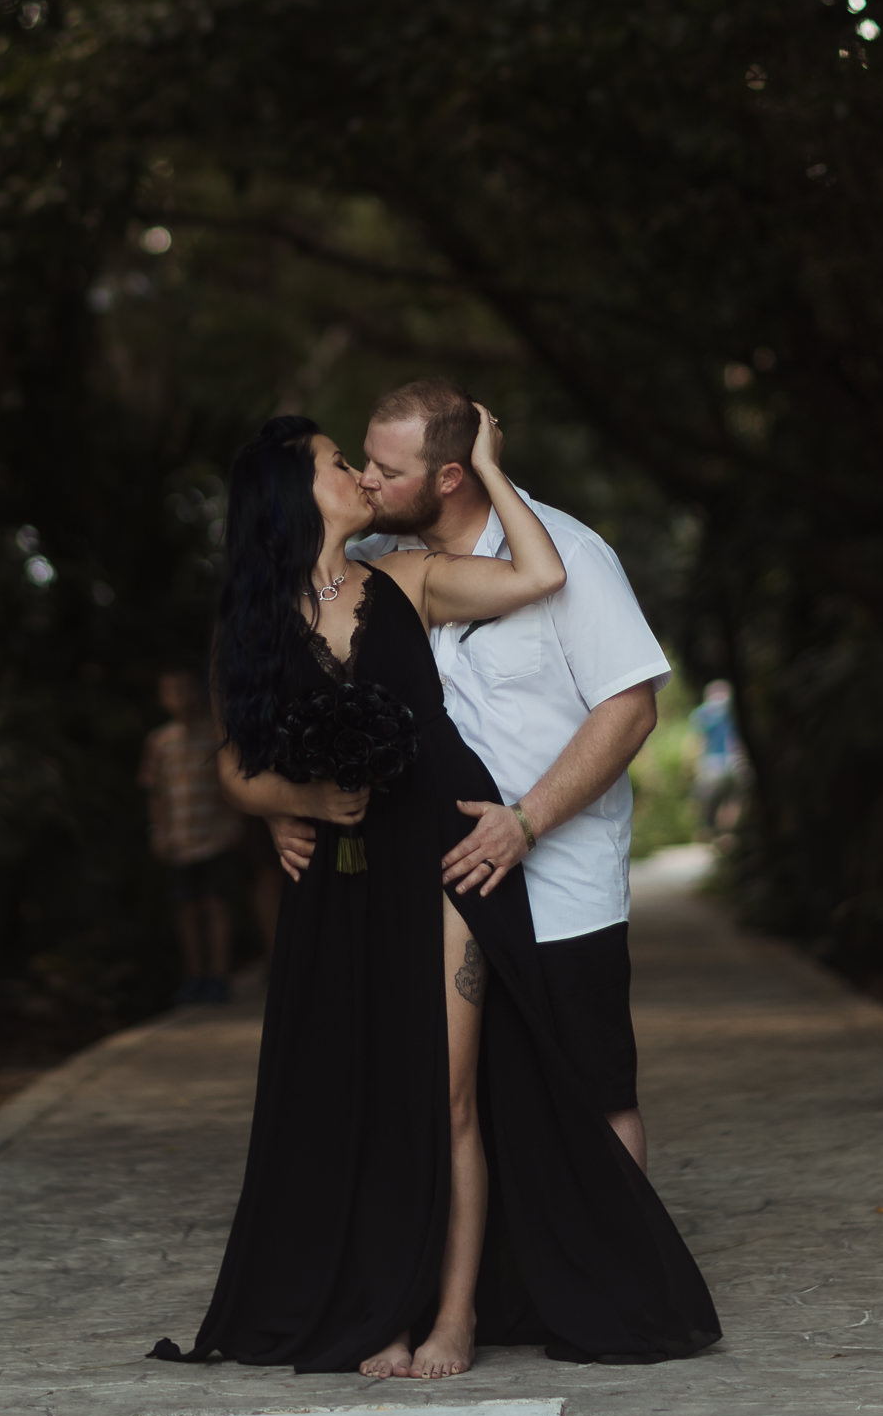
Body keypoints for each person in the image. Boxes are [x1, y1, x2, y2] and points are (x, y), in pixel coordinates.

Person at [149, 408, 719, 1380]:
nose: (362, 476)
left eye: (369, 461)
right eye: (341, 463)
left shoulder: (403, 578)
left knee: (450, 1095)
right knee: (363, 1098)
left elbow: (539, 576)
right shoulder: (248, 618)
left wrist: (492, 468)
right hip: (335, 882)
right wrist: (302, 799)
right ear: (297, 492)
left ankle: (452, 1317)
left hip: (444, 858)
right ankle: (384, 1307)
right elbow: (237, 763)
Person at [274, 377, 668, 1172]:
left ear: (450, 475)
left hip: (558, 879)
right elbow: (303, 700)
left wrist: (526, 820)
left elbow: (628, 711)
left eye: (387, 471)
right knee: (468, 1098)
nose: (366, 482)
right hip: (426, 880)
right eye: (363, 463)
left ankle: (623, 1282)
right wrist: (287, 804)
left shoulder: (571, 552)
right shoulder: (375, 565)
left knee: (592, 1089)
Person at [139, 668, 243, 1006]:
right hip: (180, 838)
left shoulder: (214, 735)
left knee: (216, 904)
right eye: (172, 691)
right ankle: (195, 975)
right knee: (187, 908)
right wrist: (159, 831)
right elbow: (154, 791)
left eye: (186, 689)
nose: (181, 697)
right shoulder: (159, 742)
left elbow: (232, 781)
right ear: (162, 698)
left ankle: (219, 976)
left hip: (215, 835)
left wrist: (233, 822)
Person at [687, 678, 748, 836]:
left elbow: (698, 741)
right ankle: (728, 832)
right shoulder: (733, 709)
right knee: (733, 798)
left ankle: (715, 831)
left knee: (712, 799)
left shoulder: (702, 713)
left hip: (711, 763)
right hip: (735, 760)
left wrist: (693, 764)